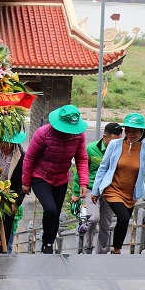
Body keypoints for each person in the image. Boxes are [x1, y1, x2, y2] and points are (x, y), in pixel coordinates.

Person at [22, 104, 89, 254]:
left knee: (56, 213)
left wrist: (84, 182)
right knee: (50, 209)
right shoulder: (43, 133)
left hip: (61, 178)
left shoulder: (78, 135)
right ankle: (46, 242)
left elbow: (82, 159)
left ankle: (50, 242)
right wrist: (26, 182)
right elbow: (29, 158)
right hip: (41, 176)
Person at [91, 113, 145, 254]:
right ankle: (117, 250)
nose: (130, 133)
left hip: (131, 194)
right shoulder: (115, 144)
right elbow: (103, 167)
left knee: (124, 221)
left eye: (134, 130)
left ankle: (116, 249)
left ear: (142, 132)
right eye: (127, 130)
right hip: (112, 189)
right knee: (123, 217)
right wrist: (96, 191)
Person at [71, 122, 123, 254]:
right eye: (113, 141)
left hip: (110, 191)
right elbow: (81, 170)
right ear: (105, 137)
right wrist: (76, 192)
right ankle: (88, 248)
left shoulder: (121, 151)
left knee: (106, 225)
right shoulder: (90, 149)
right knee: (93, 218)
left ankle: (101, 253)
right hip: (90, 189)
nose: (116, 144)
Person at [0, 130, 27, 253]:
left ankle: (2, 253)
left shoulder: (21, 157)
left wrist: (16, 201)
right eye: (0, 141)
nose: (1, 145)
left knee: (7, 225)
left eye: (5, 142)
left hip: (11, 195)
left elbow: (23, 184)